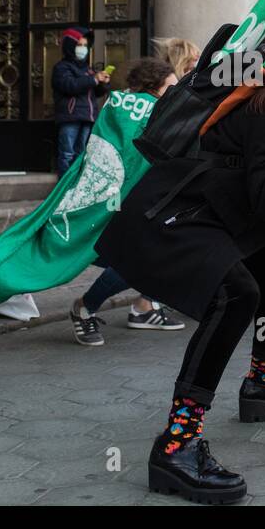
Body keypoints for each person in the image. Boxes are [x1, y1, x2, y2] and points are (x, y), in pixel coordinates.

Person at [94, 10, 265, 504]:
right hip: (176, 216)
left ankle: (262, 384)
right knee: (236, 294)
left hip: (215, 215)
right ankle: (176, 447)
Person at [68, 58, 185, 345]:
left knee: (152, 255)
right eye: (171, 86)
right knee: (133, 259)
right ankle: (84, 307)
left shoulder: (156, 110)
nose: (176, 90)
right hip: (118, 199)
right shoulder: (128, 110)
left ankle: (142, 309)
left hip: (145, 198)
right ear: (153, 88)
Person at [51, 27, 112, 175]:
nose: (83, 49)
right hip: (70, 117)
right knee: (67, 153)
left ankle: (77, 184)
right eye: (79, 45)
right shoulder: (62, 68)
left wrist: (102, 83)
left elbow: (94, 92)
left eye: (85, 46)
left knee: (82, 153)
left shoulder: (87, 69)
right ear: (70, 46)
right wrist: (93, 79)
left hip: (87, 117)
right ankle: (64, 186)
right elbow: (70, 86)